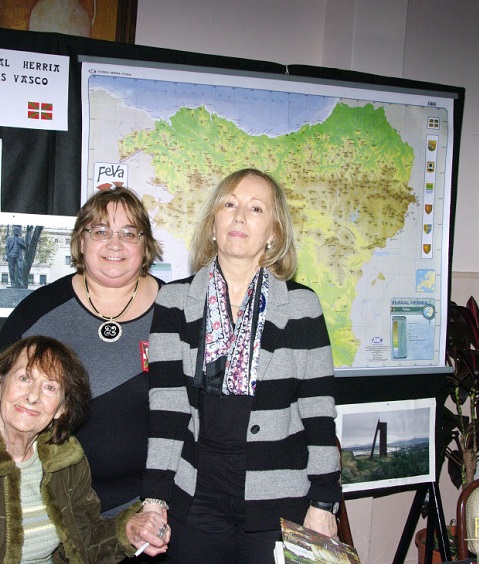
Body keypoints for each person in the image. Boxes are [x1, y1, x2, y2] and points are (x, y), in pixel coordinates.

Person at [140, 168, 341, 563]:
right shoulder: (174, 302)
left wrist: (324, 501)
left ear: (273, 234)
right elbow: (166, 410)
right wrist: (154, 497)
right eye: (229, 204)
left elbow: (319, 411)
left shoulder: (302, 306)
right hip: (197, 497)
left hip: (278, 503)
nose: (239, 216)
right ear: (213, 224)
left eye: (255, 208)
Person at [0, 187, 163, 516]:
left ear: (145, 244)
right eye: (101, 231)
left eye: (129, 233)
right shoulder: (42, 309)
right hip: (51, 508)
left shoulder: (176, 310)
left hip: (152, 508)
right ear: (81, 241)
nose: (114, 244)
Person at [0, 336, 169, 562]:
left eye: (50, 387)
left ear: (62, 408)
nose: (33, 396)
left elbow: (85, 545)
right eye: (24, 378)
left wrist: (130, 530)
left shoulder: (65, 456)